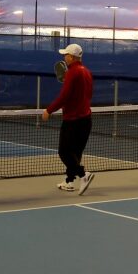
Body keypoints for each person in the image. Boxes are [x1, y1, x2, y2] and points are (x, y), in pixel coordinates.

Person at [42, 43, 95, 194]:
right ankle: (69, 181)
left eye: (66, 55)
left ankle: (84, 175)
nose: (64, 57)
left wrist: (49, 110)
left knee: (64, 152)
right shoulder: (87, 72)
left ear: (71, 57)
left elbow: (64, 97)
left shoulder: (72, 72)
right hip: (86, 119)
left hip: (73, 120)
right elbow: (89, 94)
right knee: (75, 152)